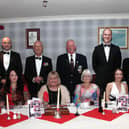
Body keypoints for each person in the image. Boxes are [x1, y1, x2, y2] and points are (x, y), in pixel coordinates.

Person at [92, 28, 122, 104]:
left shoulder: (117, 49)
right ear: (103, 36)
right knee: (100, 103)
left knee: (112, 103)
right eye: (105, 34)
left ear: (111, 36)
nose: (107, 36)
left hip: (112, 81)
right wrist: (101, 73)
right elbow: (94, 65)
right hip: (100, 81)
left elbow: (118, 65)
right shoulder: (96, 49)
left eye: (109, 35)